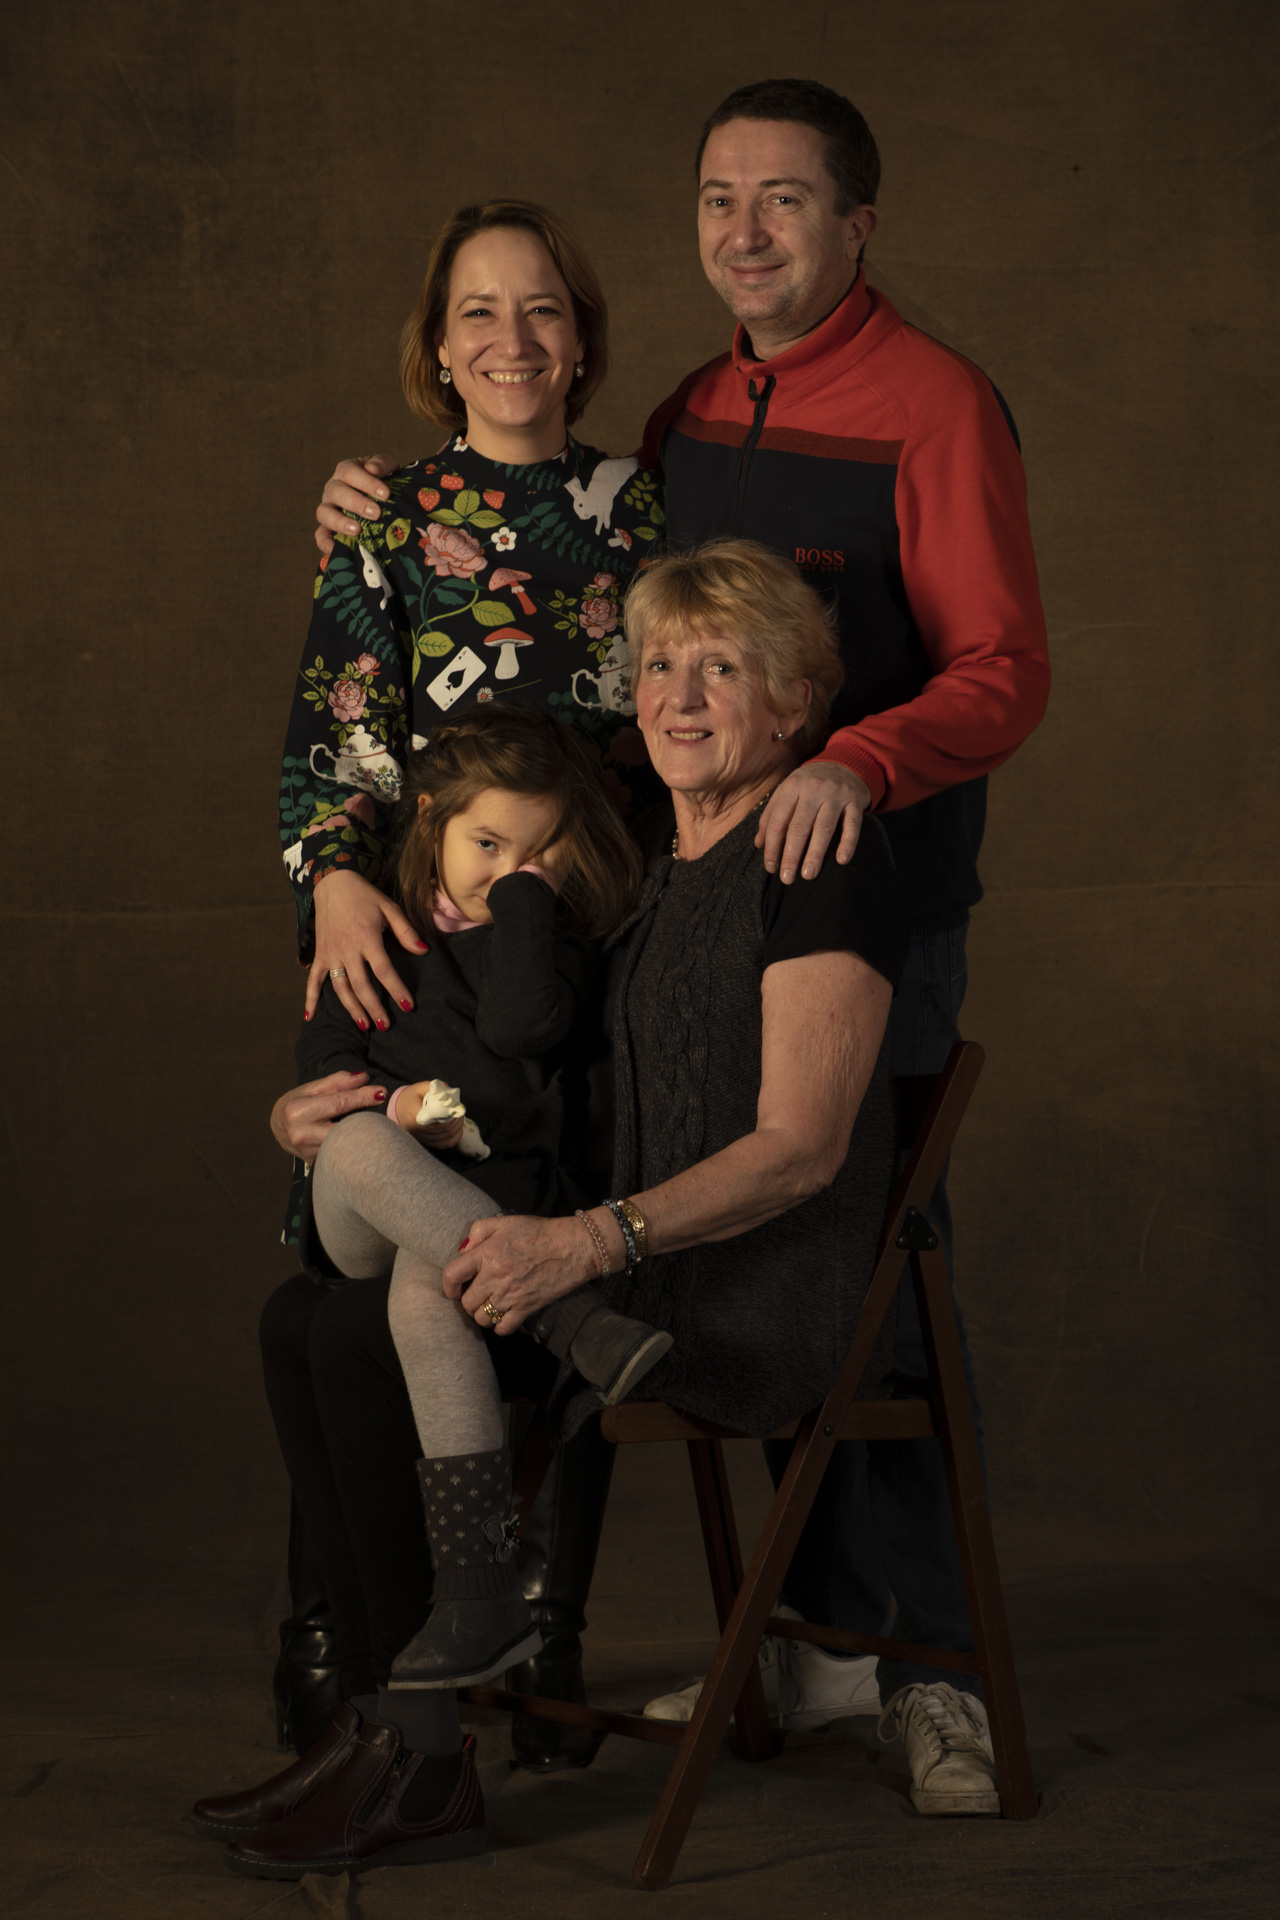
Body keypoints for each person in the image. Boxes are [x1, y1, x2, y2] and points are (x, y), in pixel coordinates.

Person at [313, 78, 1051, 1815]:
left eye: (785, 199)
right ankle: (817, 1631)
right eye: (721, 198)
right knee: (713, 1224)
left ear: (857, 225)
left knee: (868, 1273)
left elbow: (1006, 670)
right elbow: (598, 613)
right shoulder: (692, 414)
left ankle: (933, 1665)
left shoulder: (936, 402)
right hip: (689, 901)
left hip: (863, 901)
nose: (747, 230)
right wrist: (375, 508)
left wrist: (863, 762)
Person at [195, 540, 908, 1881]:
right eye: (658, 665)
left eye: (721, 668)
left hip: (725, 1296)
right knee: (304, 1317)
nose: (677, 696)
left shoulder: (816, 854)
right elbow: (518, 1063)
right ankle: (383, 1729)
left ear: (795, 705)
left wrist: (585, 1241)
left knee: (352, 1336)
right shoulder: (650, 869)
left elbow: (800, 1151)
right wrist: (337, 1108)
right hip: (612, 1272)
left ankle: (418, 1757)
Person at [271, 195, 671, 1770]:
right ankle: (347, 1634)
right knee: (355, 1271)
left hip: (587, 933)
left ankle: (545, 1625)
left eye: (544, 308)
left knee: (559, 1203)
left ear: (583, 338)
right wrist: (335, 873)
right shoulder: (387, 514)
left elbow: (686, 711)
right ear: (438, 349)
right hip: (411, 929)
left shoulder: (640, 508)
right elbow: (336, 726)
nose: (513, 339)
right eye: (480, 313)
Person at [296, 703, 673, 1416]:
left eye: (540, 854)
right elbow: (322, 1065)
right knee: (357, 1141)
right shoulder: (373, 940)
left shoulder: (554, 950)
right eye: (489, 845)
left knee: (428, 1305)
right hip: (366, 1215)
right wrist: (398, 1109)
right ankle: (574, 1325)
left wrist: (526, 896)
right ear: (432, 817)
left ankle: (472, 1499)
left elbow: (517, 1028)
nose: (510, 875)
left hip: (496, 1217)